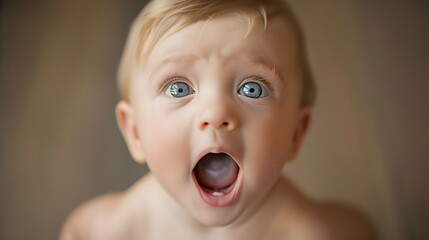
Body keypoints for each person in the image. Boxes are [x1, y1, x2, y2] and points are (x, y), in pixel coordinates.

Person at [60, 0, 377, 239]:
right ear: (135, 132)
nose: (215, 112)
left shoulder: (316, 233)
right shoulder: (105, 230)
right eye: (179, 87)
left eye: (251, 89)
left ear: (296, 132)